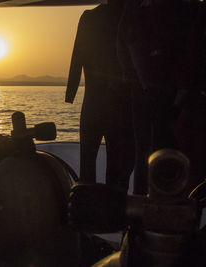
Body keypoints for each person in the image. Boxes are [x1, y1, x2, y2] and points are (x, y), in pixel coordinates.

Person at [117, 0, 199, 194]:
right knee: (156, 154)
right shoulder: (187, 9)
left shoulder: (137, 10)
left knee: (152, 154)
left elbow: (125, 45)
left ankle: (150, 208)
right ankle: (154, 208)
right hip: (163, 97)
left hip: (166, 97)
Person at [65, 0, 134, 191]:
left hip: (93, 102)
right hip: (121, 103)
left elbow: (77, 56)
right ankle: (114, 214)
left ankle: (89, 213)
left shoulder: (89, 17)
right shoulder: (129, 16)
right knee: (117, 166)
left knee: (88, 164)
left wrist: (71, 92)